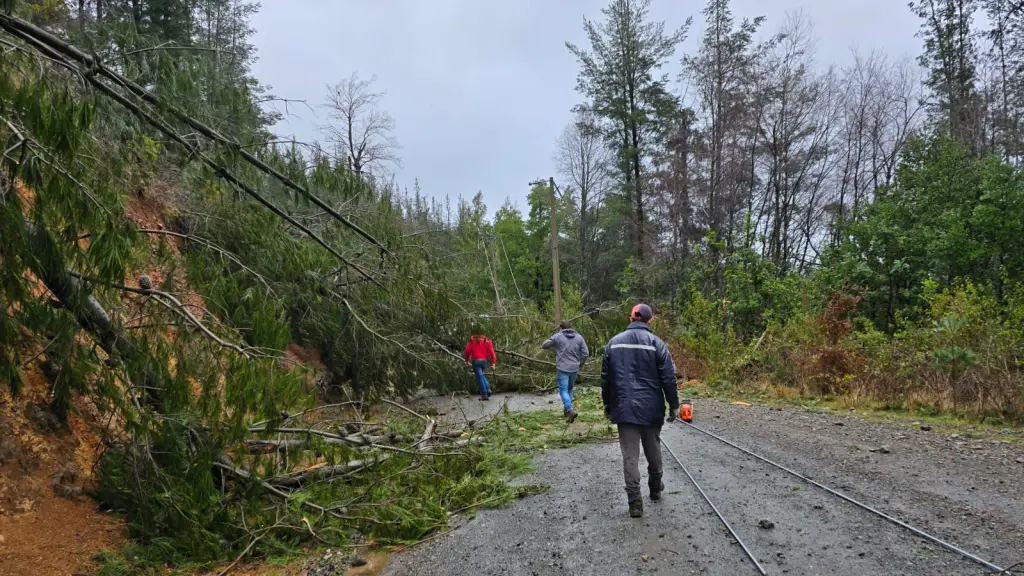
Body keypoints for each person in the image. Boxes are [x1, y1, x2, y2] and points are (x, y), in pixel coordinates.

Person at [600, 303, 679, 518]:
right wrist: (674, 406)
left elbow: (606, 379)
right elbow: (669, 379)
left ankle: (635, 502)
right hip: (652, 406)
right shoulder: (657, 344)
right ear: (649, 321)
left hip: (624, 407)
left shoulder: (613, 343)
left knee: (630, 456)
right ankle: (655, 488)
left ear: (630, 318)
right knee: (653, 448)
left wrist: (608, 405)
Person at [542, 320, 589, 423]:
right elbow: (585, 353)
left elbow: (544, 345)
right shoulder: (579, 337)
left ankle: (569, 410)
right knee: (570, 389)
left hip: (562, 368)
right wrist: (580, 363)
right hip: (574, 369)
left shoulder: (558, 336)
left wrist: (553, 339)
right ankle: (566, 412)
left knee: (563, 390)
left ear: (561, 328)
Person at [463, 333, 497, 401]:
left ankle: (484, 394)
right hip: (483, 361)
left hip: (476, 361)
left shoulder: (472, 340)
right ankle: (487, 389)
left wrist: (466, 360)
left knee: (479, 377)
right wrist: (493, 363)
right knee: (481, 375)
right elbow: (492, 352)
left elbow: (467, 351)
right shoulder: (487, 341)